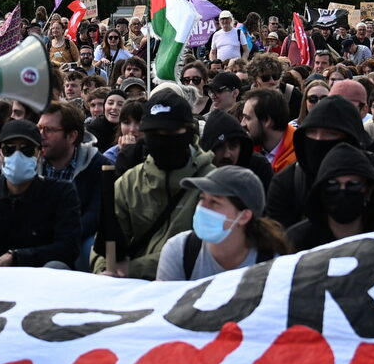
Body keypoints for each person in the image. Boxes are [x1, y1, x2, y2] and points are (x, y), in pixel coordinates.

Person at [107, 91, 210, 277]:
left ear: (188, 131)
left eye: (169, 132)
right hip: (130, 288)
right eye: (153, 133)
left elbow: (203, 250)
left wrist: (131, 269)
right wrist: (106, 270)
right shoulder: (129, 183)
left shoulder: (211, 183)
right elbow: (106, 242)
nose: (162, 139)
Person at [0, 118, 83, 269]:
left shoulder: (61, 193)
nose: (17, 156)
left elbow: (68, 248)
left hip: (42, 276)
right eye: (9, 150)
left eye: (27, 150)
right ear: (0, 153)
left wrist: (16, 256)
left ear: (40, 153)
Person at [153, 167, 285, 281]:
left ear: (244, 216)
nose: (202, 207)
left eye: (214, 202)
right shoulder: (179, 251)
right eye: (202, 198)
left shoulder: (271, 262)